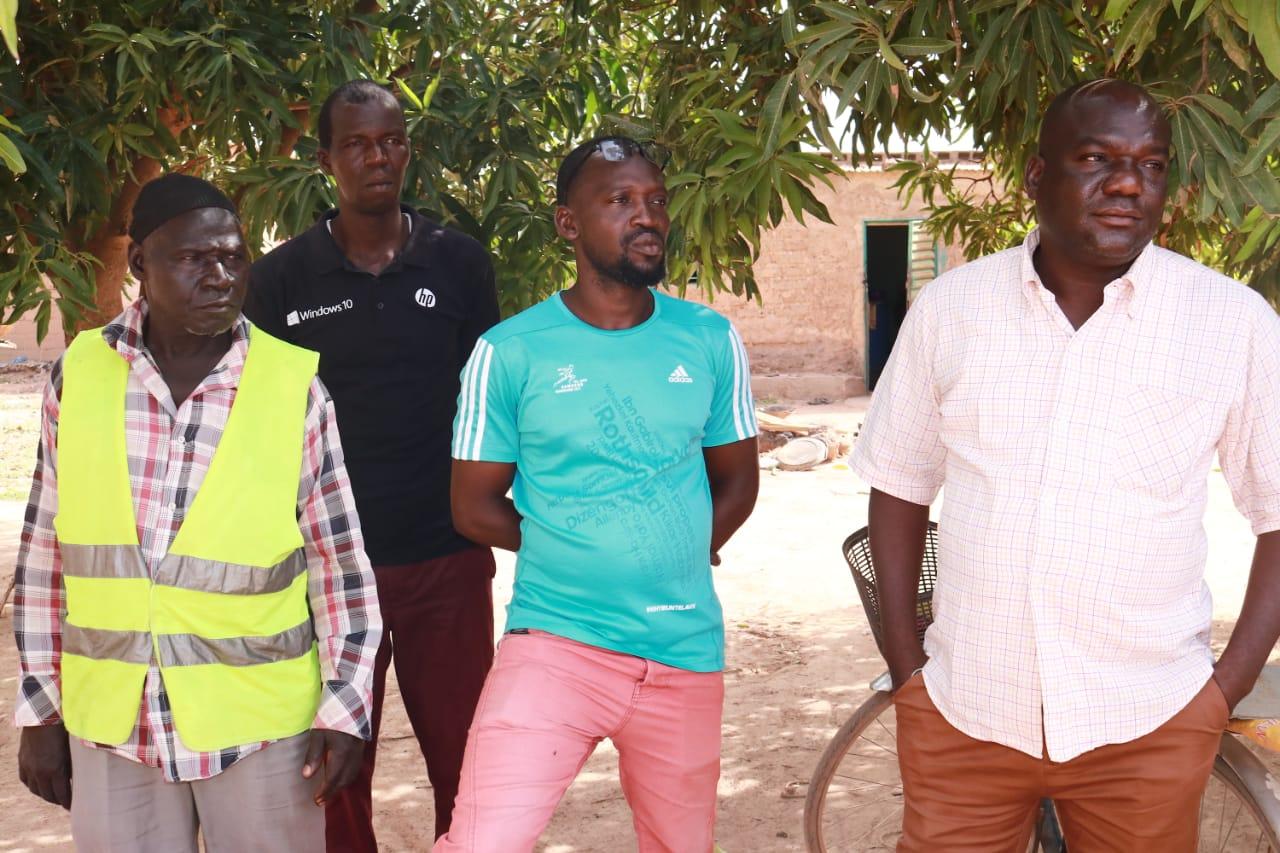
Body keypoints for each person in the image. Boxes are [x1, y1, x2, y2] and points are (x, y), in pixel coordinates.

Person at [852, 78, 1280, 852]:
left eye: (1150, 164)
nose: (1127, 182)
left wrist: (1223, 691)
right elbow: (899, 486)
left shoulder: (1232, 324)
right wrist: (909, 671)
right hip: (965, 714)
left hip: (1148, 720)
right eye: (1096, 158)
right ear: (1036, 175)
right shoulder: (952, 310)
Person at [12, 173, 382, 852]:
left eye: (233, 257)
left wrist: (347, 704)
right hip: (113, 725)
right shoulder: (80, 375)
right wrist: (41, 708)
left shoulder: (293, 386)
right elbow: (44, 556)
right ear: (139, 266)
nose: (219, 276)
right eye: (193, 258)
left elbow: (341, 564)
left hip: (261, 728)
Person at [432, 135, 760, 851]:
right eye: (619, 200)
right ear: (567, 223)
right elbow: (473, 504)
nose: (647, 216)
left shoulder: (708, 339)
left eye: (656, 200)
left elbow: (737, 479)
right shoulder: (510, 351)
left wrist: (678, 544)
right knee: (481, 841)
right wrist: (572, 540)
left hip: (682, 649)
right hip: (555, 644)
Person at [245, 80, 501, 847]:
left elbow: (489, 408)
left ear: (407, 150)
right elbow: (261, 426)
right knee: (333, 772)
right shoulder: (281, 280)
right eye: (356, 143)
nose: (376, 156)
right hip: (328, 571)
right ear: (326, 159)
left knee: (468, 764)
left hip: (447, 558)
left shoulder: (458, 262)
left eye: (389, 140)